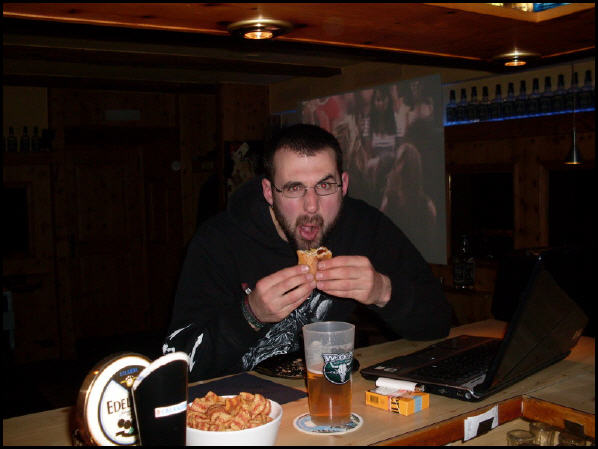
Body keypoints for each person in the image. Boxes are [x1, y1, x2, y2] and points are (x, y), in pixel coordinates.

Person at [163, 124, 451, 381]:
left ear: (344, 185)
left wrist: (382, 291)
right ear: (268, 192)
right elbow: (177, 367)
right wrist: (250, 314)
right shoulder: (217, 242)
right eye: (294, 188)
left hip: (332, 391)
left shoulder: (365, 227)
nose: (311, 206)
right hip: (240, 408)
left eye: (324, 185)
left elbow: (439, 322)